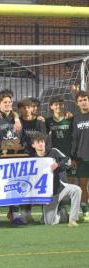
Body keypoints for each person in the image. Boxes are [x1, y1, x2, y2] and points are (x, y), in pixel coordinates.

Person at [0, 90, 25, 226]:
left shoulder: (18, 120)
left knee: (15, 185)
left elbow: (23, 140)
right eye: (5, 102)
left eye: (10, 102)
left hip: (14, 158)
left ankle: (15, 214)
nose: (8, 104)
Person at [31, 132, 81, 227]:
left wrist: (58, 164)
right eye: (38, 142)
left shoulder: (53, 151)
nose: (41, 143)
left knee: (77, 190)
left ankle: (73, 220)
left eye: (42, 141)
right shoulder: (32, 159)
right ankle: (59, 213)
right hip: (48, 196)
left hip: (61, 189)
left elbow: (68, 161)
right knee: (49, 223)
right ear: (33, 145)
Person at [45, 96, 74, 183]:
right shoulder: (48, 121)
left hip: (69, 153)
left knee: (70, 179)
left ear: (63, 105)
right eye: (56, 104)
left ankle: (70, 196)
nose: (58, 106)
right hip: (57, 155)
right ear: (51, 107)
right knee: (58, 179)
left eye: (61, 104)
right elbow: (44, 135)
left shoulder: (69, 118)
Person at [71, 90, 89, 221]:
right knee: (82, 184)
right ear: (77, 103)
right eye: (81, 100)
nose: (83, 102)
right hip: (82, 156)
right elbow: (75, 139)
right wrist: (73, 156)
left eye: (85, 99)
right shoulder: (75, 118)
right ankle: (85, 209)